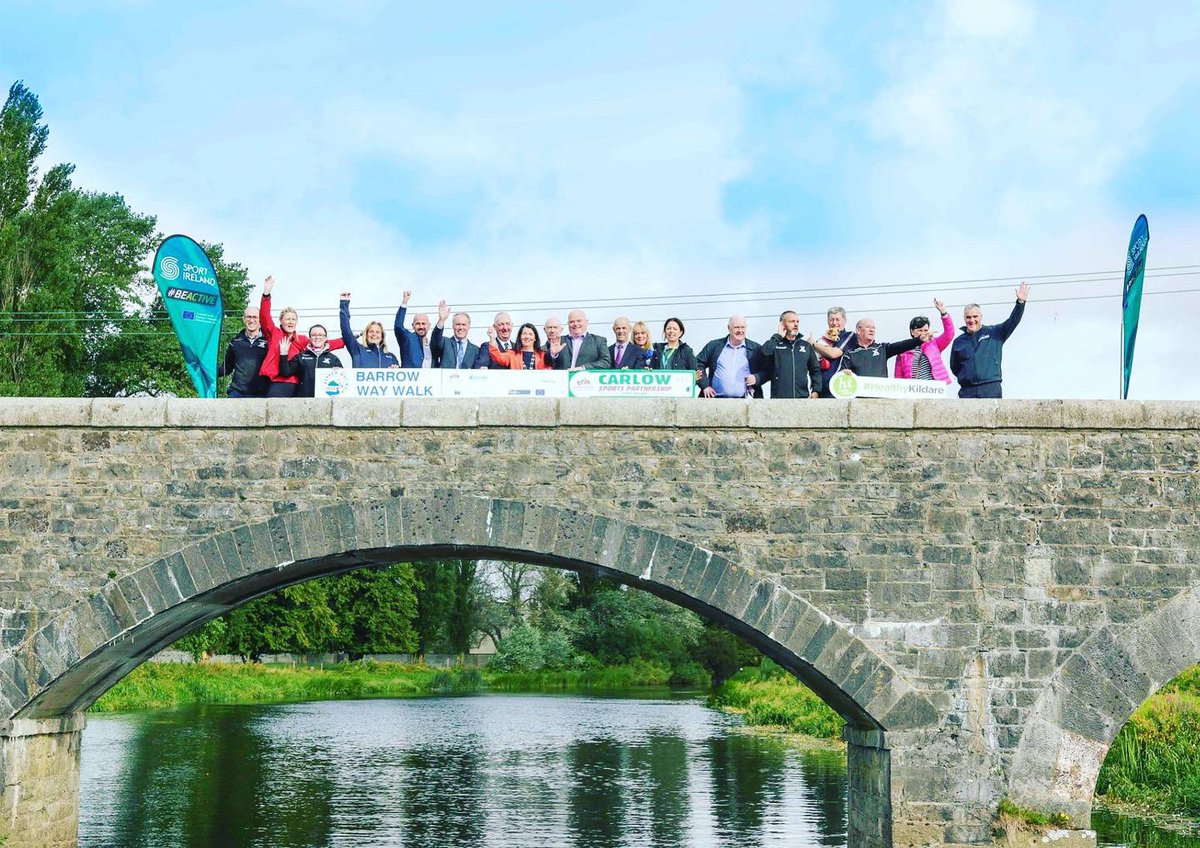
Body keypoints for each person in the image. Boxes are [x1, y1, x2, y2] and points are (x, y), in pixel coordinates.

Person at [258, 276, 343, 397]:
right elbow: (264, 317)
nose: (290, 322)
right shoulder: (274, 333)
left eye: (293, 319)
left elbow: (324, 342)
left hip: (296, 381)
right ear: (281, 320)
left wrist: (348, 340)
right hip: (277, 380)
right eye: (287, 319)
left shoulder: (301, 340)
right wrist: (266, 294)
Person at [950, 283, 1029, 398]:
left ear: (981, 316)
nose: (972, 320)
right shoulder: (958, 342)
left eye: (975, 316)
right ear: (964, 318)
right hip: (967, 391)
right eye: (968, 317)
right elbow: (955, 367)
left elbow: (1013, 321)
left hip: (991, 389)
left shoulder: (995, 332)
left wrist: (1020, 303)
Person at [815, 318, 921, 378]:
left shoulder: (882, 348)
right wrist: (846, 374)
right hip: (859, 401)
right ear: (858, 330)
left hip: (881, 400)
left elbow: (902, 345)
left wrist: (919, 339)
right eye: (868, 327)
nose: (872, 330)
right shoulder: (850, 353)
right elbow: (842, 375)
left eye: (873, 328)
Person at [697, 315, 769, 398]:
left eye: (743, 327)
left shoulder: (756, 349)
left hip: (746, 403)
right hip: (715, 401)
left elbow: (768, 370)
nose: (740, 330)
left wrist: (757, 378)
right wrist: (705, 385)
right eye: (736, 327)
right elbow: (698, 363)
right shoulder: (713, 346)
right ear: (729, 328)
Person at [760, 310, 821, 399]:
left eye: (797, 322)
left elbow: (815, 369)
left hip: (802, 399)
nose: (796, 324)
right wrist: (778, 336)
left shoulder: (806, 346)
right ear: (782, 324)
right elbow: (764, 353)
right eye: (792, 321)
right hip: (779, 400)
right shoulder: (774, 344)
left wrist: (816, 390)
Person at [894, 298, 954, 383]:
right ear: (912, 331)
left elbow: (949, 334)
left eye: (926, 330)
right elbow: (898, 378)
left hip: (933, 390)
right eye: (920, 330)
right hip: (912, 392)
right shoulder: (903, 351)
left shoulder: (934, 344)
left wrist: (944, 313)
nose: (923, 333)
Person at [277, 324, 344, 397]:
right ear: (310, 338)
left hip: (325, 399)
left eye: (320, 335)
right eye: (314, 335)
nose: (317, 337)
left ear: (325, 338)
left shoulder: (333, 359)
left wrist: (337, 374)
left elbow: (342, 381)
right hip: (304, 399)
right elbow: (285, 373)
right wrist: (283, 353)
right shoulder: (301, 356)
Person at [219, 306, 270, 397]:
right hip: (237, 393)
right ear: (243, 319)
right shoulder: (235, 342)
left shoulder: (269, 341)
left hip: (261, 394)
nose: (251, 320)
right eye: (248, 317)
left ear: (260, 319)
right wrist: (207, 371)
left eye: (254, 317)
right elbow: (226, 368)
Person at [340, 293, 400, 368]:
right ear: (366, 335)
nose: (374, 334)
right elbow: (346, 331)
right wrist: (344, 304)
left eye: (377, 332)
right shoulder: (357, 350)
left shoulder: (391, 357)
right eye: (371, 331)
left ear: (382, 337)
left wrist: (396, 371)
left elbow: (403, 377)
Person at [812, 306, 855, 398]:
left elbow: (833, 354)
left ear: (844, 320)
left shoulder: (849, 336)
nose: (834, 323)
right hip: (820, 390)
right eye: (831, 320)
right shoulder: (821, 341)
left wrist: (813, 344)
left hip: (839, 389)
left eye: (837, 319)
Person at [431, 300, 479, 369]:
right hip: (446, 379)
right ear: (453, 326)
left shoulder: (476, 350)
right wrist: (441, 320)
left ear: (469, 326)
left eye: (463, 325)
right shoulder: (445, 342)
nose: (460, 327)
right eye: (458, 324)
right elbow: (435, 340)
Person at [393, 290, 435, 368]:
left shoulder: (432, 344)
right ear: (413, 326)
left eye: (423, 324)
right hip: (411, 379)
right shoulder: (407, 338)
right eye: (418, 324)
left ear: (429, 326)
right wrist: (405, 301)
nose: (421, 327)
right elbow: (398, 326)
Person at [486, 323, 553, 370]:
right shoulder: (512, 354)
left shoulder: (542, 354)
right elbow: (497, 357)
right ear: (520, 337)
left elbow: (552, 367)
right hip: (518, 388)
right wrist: (492, 338)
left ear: (535, 338)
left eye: (530, 334)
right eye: (524, 334)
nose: (527, 337)